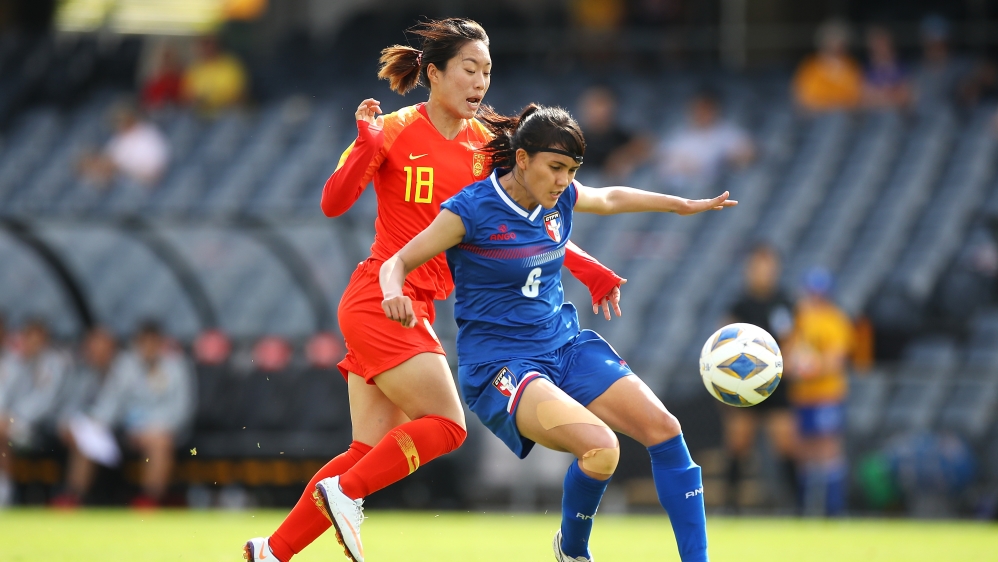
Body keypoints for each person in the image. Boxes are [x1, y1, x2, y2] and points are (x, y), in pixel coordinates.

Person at [242, 19, 623, 562]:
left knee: (366, 451)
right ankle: (347, 496)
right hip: (383, 297)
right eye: (469, 68)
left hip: (410, 305)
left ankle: (271, 552)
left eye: (487, 71)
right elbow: (332, 203)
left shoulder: (490, 145)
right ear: (434, 72)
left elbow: (526, 227)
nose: (480, 82)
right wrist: (363, 145)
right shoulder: (394, 129)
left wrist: (588, 269)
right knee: (446, 425)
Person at [381, 105, 736, 562]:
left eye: (571, 171)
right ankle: (573, 552)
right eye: (555, 168)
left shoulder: (559, 197)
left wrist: (679, 204)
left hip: (565, 347)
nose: (563, 181)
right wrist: (394, 292)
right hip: (501, 365)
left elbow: (608, 199)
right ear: (522, 159)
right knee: (601, 449)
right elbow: (398, 262)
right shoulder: (470, 209)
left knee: (666, 430)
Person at [721, 244, 797, 511]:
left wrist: (769, 368)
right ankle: (731, 507)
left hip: (776, 383)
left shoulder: (783, 303)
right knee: (738, 443)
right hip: (744, 383)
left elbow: (789, 340)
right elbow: (724, 343)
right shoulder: (740, 305)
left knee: (786, 444)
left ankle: (797, 507)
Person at [88, 321, 195, 507]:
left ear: (161, 344)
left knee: (159, 441)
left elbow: (182, 409)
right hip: (128, 431)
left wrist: (153, 427)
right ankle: (77, 497)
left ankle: (150, 499)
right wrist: (97, 422)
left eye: (153, 343)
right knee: (89, 435)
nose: (148, 348)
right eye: (144, 343)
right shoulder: (125, 367)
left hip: (165, 431)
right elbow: (113, 402)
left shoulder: (176, 367)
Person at [784, 268, 854, 516]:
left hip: (826, 394)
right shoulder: (798, 319)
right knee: (803, 450)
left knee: (827, 448)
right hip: (802, 395)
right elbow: (787, 356)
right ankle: (806, 508)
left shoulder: (835, 320)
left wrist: (811, 367)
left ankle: (834, 508)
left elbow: (835, 359)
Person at [0, 318, 70, 508]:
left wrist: (12, 418)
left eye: (37, 338)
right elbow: (4, 393)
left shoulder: (54, 364)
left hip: (42, 427)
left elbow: (44, 403)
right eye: (28, 338)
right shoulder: (15, 362)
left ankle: (4, 493)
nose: (32, 343)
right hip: (13, 423)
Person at [52, 327, 118, 507]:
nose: (93, 351)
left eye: (98, 347)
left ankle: (75, 495)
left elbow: (117, 406)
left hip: (116, 427)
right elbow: (70, 403)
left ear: (110, 348)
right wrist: (67, 423)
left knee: (86, 439)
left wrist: (93, 422)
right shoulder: (83, 372)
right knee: (84, 436)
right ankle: (74, 494)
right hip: (88, 426)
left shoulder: (123, 371)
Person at [653, 88, 754, 195]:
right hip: (676, 190)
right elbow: (663, 162)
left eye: (705, 108)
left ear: (715, 109)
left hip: (711, 192)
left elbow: (748, 153)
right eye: (697, 108)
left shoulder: (726, 133)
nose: (700, 112)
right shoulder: (680, 135)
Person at [78, 104, 170, 187]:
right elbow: (108, 163)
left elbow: (156, 168)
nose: (119, 125)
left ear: (130, 118)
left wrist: (125, 169)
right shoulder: (117, 140)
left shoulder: (148, 133)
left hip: (145, 183)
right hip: (122, 182)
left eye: (121, 120)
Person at [575, 85, 648, 180]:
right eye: (595, 105)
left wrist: (624, 156)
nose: (599, 111)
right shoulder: (574, 137)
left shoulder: (620, 136)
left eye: (603, 104)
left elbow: (645, 145)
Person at [792, 19, 863, 112]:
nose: (836, 44)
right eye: (832, 39)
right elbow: (801, 98)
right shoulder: (810, 65)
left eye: (839, 40)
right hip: (817, 116)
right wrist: (827, 106)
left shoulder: (851, 65)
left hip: (845, 116)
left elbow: (858, 95)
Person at [181, 36, 247, 114]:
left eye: (210, 44)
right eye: (204, 44)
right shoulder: (194, 68)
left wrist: (216, 102)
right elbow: (185, 97)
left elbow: (240, 95)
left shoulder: (231, 65)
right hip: (199, 115)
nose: (207, 48)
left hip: (226, 113)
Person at [861, 26, 910, 110]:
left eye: (883, 45)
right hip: (873, 114)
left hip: (896, 113)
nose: (881, 49)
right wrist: (889, 95)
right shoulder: (866, 70)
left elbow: (906, 97)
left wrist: (880, 96)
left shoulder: (901, 68)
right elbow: (863, 99)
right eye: (877, 45)